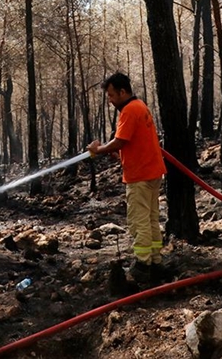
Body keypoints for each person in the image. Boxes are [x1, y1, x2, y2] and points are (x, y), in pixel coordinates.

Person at [87, 72, 167, 284]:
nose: (111, 100)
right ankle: (156, 262)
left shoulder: (130, 110)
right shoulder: (140, 106)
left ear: (123, 92)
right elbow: (132, 143)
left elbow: (120, 141)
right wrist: (117, 154)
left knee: (138, 221)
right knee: (151, 220)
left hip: (140, 177)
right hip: (151, 172)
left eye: (112, 95)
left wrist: (99, 149)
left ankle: (142, 266)